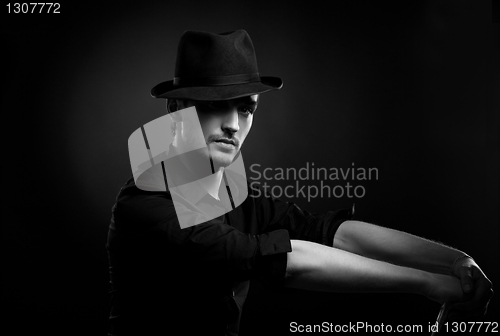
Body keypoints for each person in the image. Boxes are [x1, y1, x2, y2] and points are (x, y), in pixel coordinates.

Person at [106, 30, 493, 336]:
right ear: (175, 110)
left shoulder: (239, 199)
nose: (233, 124)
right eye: (213, 105)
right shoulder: (147, 208)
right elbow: (285, 260)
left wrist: (455, 262)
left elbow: (328, 233)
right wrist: (429, 284)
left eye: (245, 108)